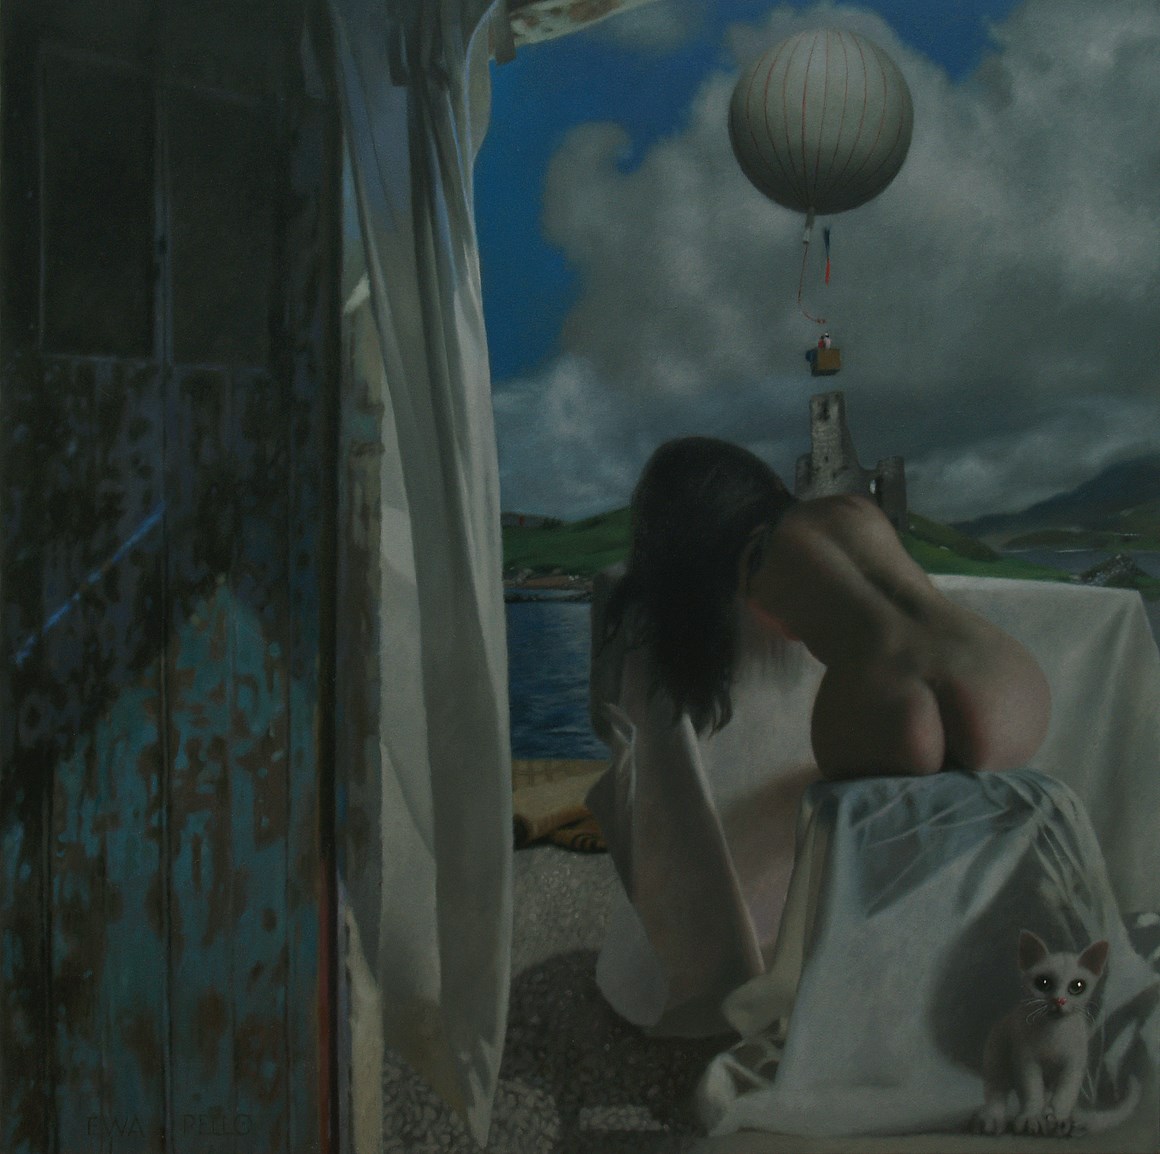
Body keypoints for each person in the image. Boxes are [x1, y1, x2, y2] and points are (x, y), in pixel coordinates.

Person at [602, 436, 1051, 779]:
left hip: (883, 703)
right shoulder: (854, 509)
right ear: (763, 482)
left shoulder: (749, 579)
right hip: (1001, 679)